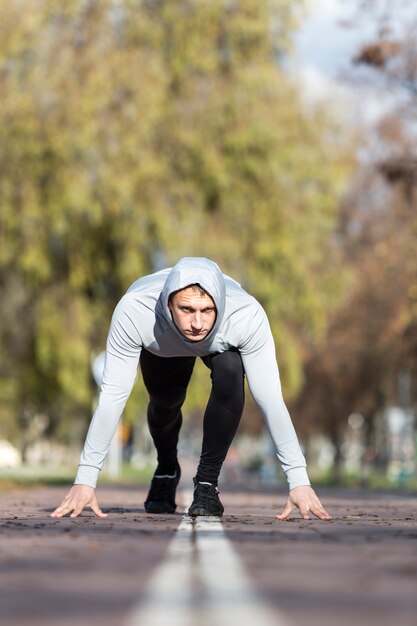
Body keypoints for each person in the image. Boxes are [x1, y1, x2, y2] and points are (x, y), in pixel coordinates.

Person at [51, 257, 331, 521]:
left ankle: (207, 483)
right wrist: (85, 480)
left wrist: (299, 481)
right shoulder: (135, 311)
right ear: (169, 304)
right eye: (186, 310)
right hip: (161, 344)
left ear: (218, 306)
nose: (197, 323)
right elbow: (112, 396)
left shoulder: (245, 316)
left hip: (220, 344)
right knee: (165, 402)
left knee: (232, 370)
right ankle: (166, 469)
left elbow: (270, 399)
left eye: (207, 311)